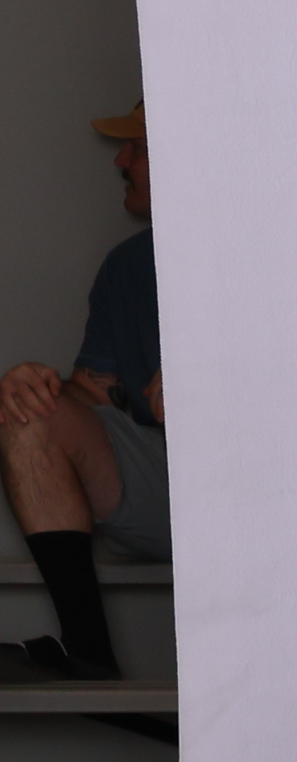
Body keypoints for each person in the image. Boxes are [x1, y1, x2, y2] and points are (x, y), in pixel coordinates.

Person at [1, 100, 166, 678]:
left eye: (136, 149)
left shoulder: (267, 254)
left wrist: (216, 386)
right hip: (166, 489)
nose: (120, 161)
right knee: (31, 414)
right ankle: (90, 654)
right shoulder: (127, 266)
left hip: (267, 495)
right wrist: (31, 388)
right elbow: (97, 395)